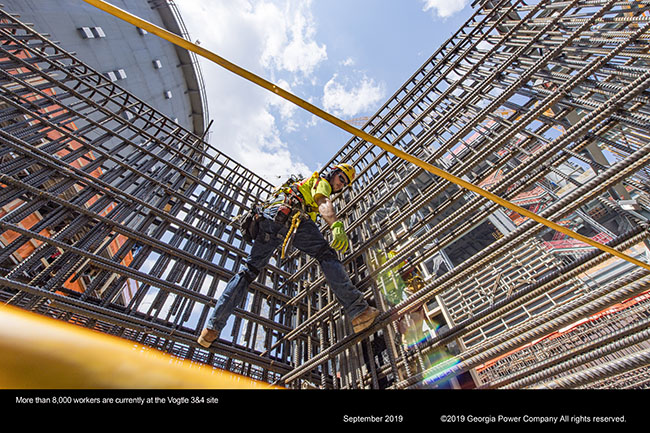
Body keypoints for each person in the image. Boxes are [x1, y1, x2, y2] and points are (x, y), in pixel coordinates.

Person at [197, 163, 380, 348]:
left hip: (267, 220)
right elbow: (323, 201)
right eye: (341, 178)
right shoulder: (320, 181)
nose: (341, 185)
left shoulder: (297, 187)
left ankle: (210, 330)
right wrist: (335, 224)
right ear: (333, 172)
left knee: (248, 271)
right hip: (292, 216)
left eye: (345, 184)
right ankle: (359, 312)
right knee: (326, 255)